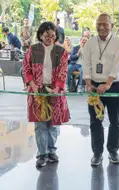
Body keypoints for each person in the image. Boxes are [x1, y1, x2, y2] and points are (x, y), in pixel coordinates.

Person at [22, 21, 70, 167]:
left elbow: (63, 72)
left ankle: (51, 150)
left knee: (53, 123)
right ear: (40, 35)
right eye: (47, 35)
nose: (50, 37)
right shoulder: (33, 49)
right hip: (37, 90)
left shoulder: (61, 51)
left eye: (53, 35)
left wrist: (57, 88)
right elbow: (26, 68)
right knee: (40, 123)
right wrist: (32, 84)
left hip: (54, 91)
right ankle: (42, 153)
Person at [82, 13, 119, 166]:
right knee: (95, 121)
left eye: (105, 24)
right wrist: (88, 83)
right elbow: (85, 64)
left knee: (115, 120)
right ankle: (97, 153)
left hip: (114, 85)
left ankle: (113, 150)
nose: (101, 27)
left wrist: (107, 84)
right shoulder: (89, 43)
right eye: (98, 24)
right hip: (94, 85)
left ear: (112, 26)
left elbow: (117, 65)